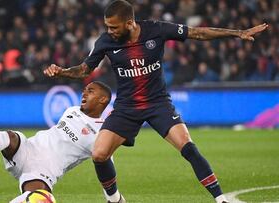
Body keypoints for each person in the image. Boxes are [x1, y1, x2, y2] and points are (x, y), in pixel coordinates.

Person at [43, 1, 268, 202]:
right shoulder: (105, 41)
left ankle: (221, 199)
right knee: (99, 154)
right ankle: (115, 200)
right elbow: (84, 69)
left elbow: (198, 33)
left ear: (129, 23)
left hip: (158, 103)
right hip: (127, 108)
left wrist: (237, 33)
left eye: (114, 27)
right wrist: (62, 71)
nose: (109, 31)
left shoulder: (156, 30)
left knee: (188, 148)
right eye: (107, 26)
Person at [0, 81, 126, 203]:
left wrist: (114, 197)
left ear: (103, 99)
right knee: (12, 137)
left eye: (90, 91)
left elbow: (106, 167)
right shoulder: (72, 110)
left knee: (44, 198)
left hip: (44, 169)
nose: (84, 94)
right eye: (84, 90)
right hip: (29, 147)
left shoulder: (101, 133)